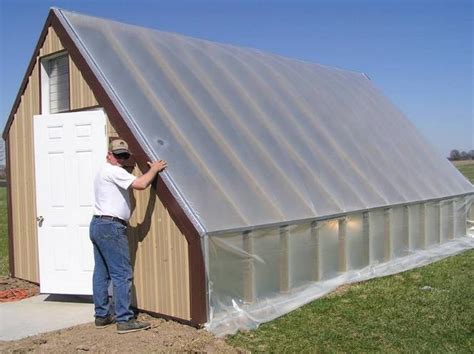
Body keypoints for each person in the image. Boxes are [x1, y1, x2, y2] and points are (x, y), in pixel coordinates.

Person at [89, 138, 167, 334]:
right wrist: (154, 169)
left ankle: (102, 315)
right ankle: (124, 319)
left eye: (124, 155)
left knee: (102, 273)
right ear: (109, 155)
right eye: (118, 155)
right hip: (111, 227)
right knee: (122, 274)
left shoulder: (103, 171)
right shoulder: (114, 171)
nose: (121, 159)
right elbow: (141, 184)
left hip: (98, 224)